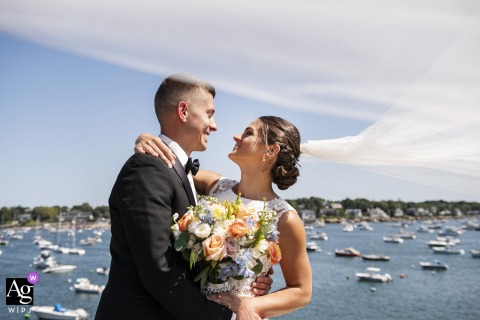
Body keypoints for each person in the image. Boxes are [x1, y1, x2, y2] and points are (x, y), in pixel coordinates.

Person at [95, 73, 271, 320]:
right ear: (183, 111)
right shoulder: (148, 168)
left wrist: (247, 278)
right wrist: (227, 317)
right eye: (209, 113)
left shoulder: (180, 171)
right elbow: (159, 270)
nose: (215, 125)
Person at [135, 115, 312, 319]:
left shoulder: (285, 217)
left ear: (271, 150)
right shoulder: (215, 185)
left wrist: (252, 304)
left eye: (248, 133)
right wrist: (147, 140)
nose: (236, 136)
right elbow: (171, 167)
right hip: (190, 310)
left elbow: (301, 291)